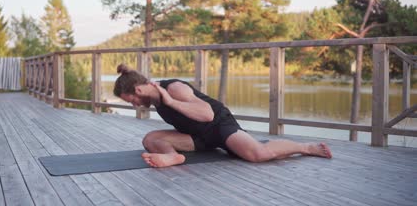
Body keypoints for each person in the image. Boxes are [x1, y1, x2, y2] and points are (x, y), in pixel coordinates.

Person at [113, 64, 332, 168]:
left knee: (258, 153)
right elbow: (138, 81)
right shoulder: (153, 94)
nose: (134, 106)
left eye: (130, 100)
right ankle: (174, 157)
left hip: (219, 126)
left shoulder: (175, 90)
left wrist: (171, 102)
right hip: (197, 136)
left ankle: (306, 148)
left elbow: (207, 115)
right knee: (150, 139)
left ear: (139, 91)